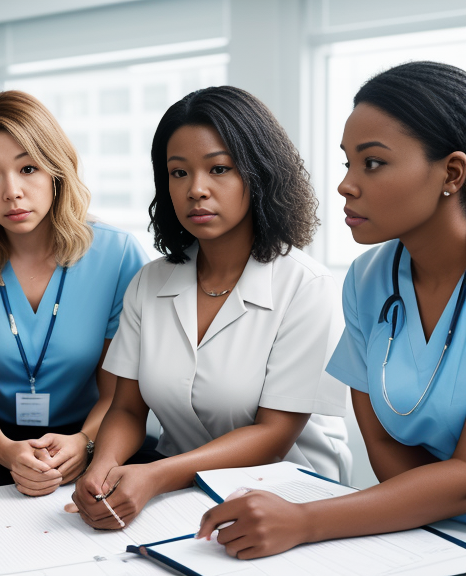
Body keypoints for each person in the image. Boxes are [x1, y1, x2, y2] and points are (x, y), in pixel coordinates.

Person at [197, 61, 466, 559]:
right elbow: (384, 447)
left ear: (452, 172)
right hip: (427, 533)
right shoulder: (367, 281)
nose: (346, 185)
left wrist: (303, 520)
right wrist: (423, 522)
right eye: (347, 163)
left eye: (373, 163)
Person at [72, 86, 351, 529]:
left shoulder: (308, 287)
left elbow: (274, 435)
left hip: (288, 504)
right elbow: (127, 408)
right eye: (178, 173)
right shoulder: (150, 282)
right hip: (179, 499)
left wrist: (157, 474)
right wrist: (101, 469)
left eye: (219, 168)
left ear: (258, 174)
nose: (196, 190)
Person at [0, 90, 149, 494]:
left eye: (28, 168)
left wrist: (85, 443)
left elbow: (118, 395)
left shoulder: (117, 254)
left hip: (94, 429)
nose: (11, 191)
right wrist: (6, 450)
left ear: (56, 169)